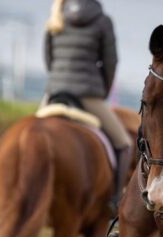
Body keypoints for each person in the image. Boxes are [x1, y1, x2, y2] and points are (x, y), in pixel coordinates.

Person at [44, 0, 132, 214]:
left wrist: (58, 82)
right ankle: (114, 201)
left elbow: (49, 59)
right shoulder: (102, 20)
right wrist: (102, 91)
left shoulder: (56, 16)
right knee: (124, 144)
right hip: (87, 95)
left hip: (53, 93)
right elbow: (111, 62)